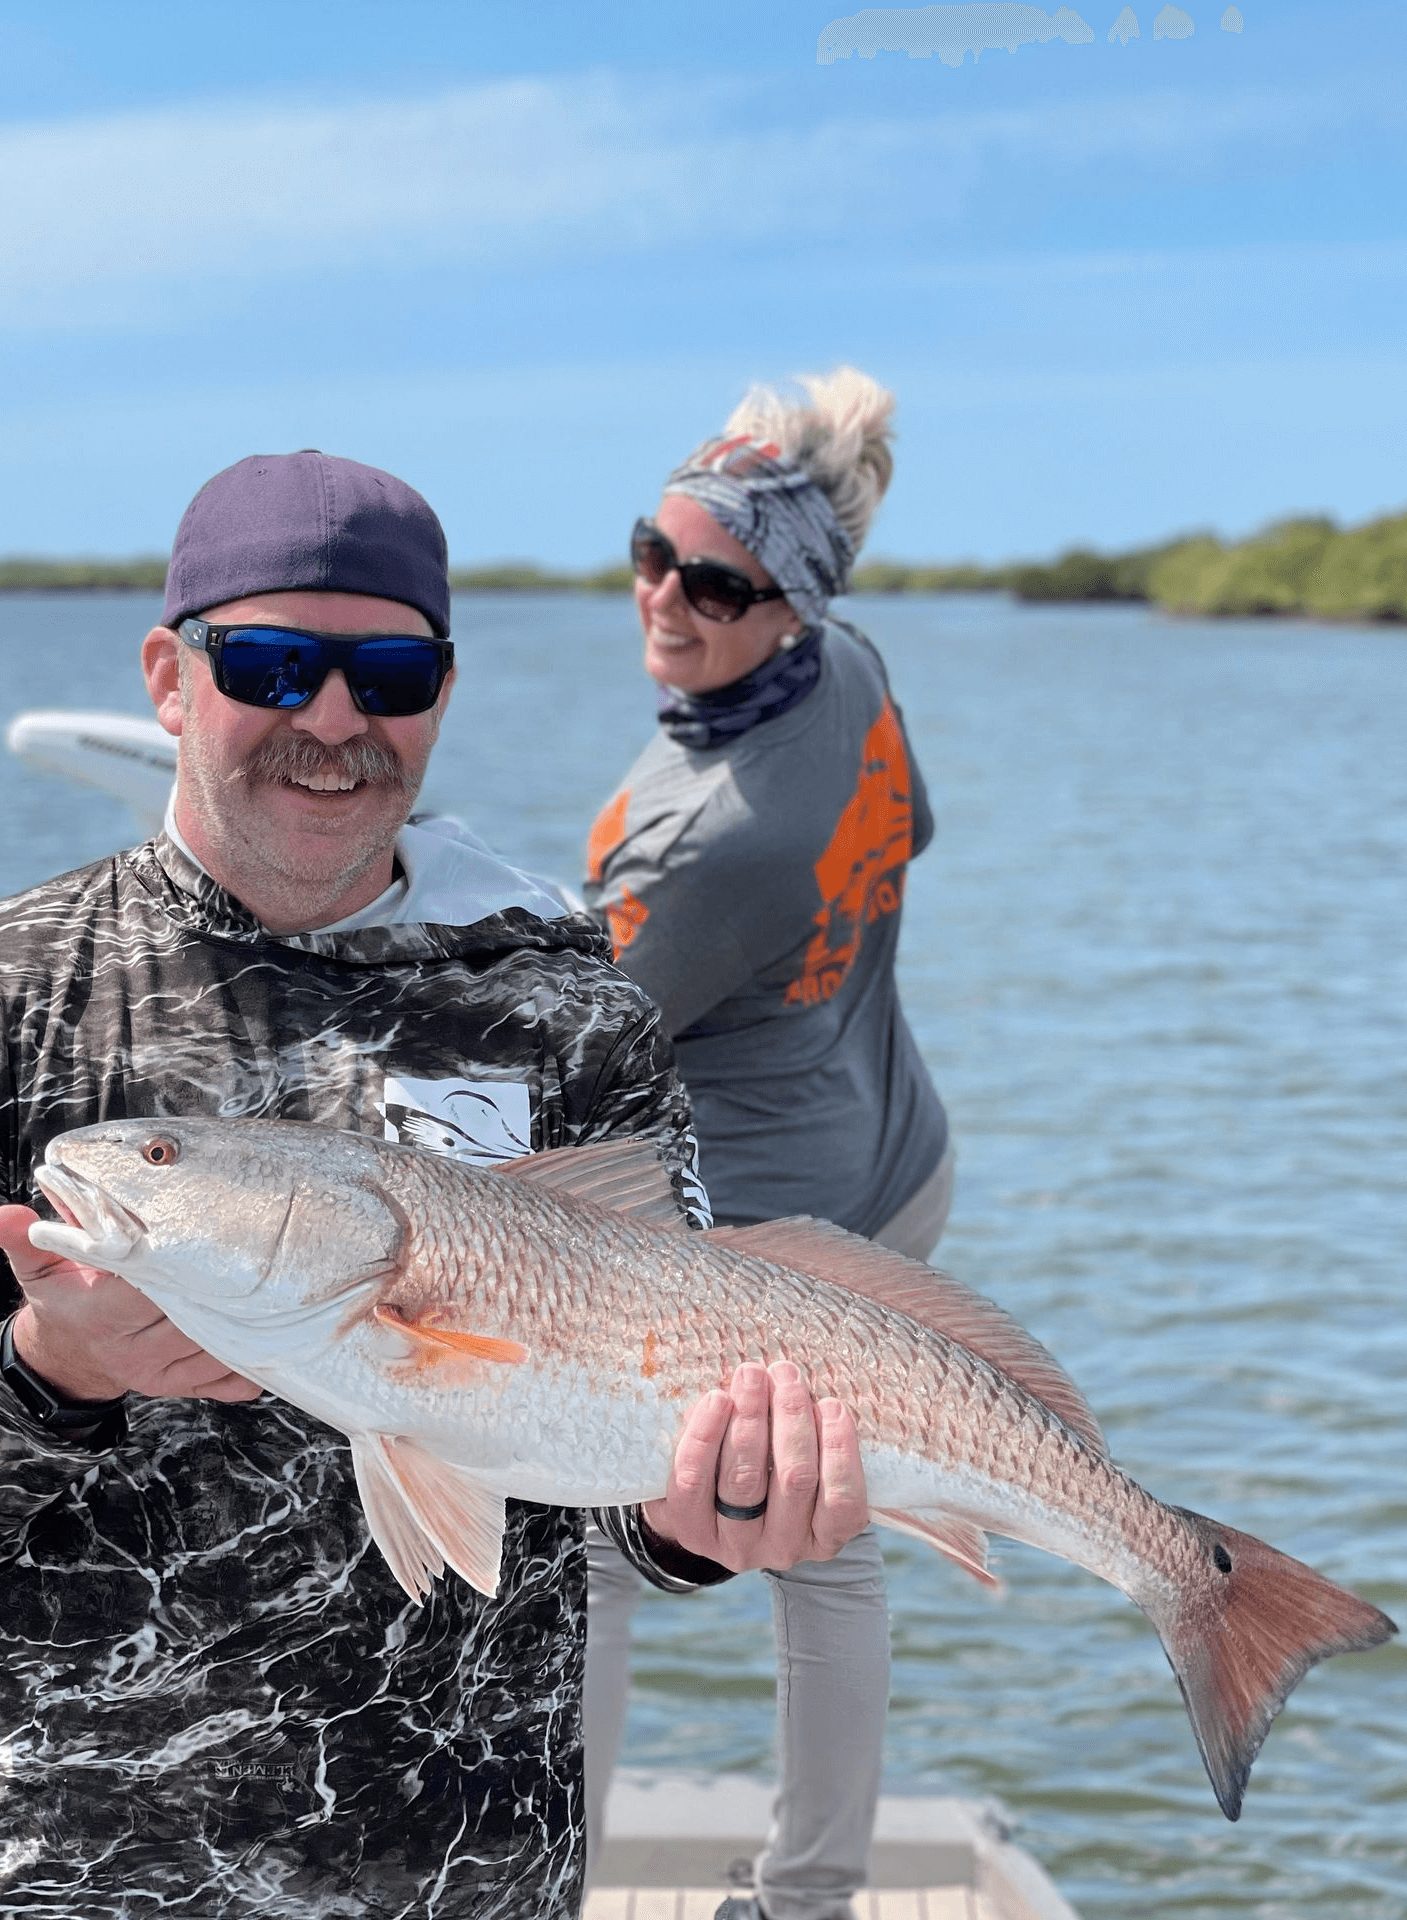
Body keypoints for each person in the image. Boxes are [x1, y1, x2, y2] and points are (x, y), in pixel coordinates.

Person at [0, 450, 869, 1920]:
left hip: (460, 1882)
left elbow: (616, 1511)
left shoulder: (575, 1021)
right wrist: (46, 1372)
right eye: (274, 665)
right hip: (28, 1884)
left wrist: (709, 1519)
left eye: (389, 674)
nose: (334, 719)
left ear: (441, 692)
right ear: (171, 679)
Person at [583, 371, 952, 1920]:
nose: (668, 601)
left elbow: (579, 1044)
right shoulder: (851, 671)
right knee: (832, 1544)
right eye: (652, 556)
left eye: (717, 586)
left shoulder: (719, 838)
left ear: (788, 599)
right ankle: (813, 1898)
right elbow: (910, 827)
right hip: (899, 1162)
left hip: (760, 1235)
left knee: (587, 1554)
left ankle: (552, 1879)